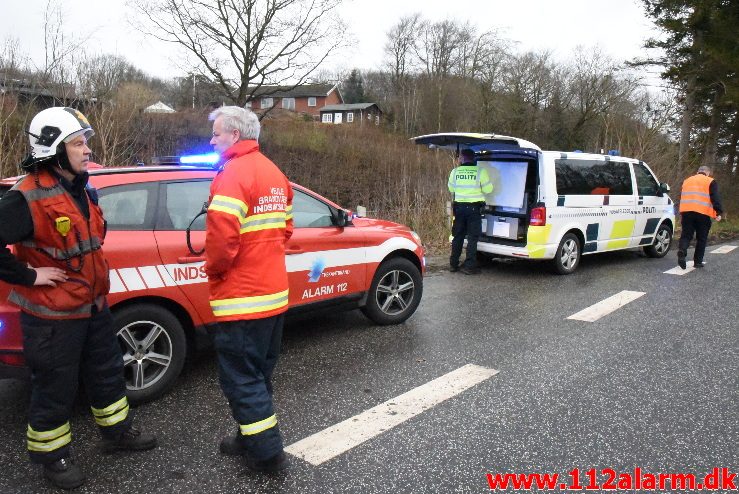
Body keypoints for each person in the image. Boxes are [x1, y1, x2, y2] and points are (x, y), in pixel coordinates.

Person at [0, 107, 156, 490]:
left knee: (106, 373)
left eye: (85, 141)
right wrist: (30, 275)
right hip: (53, 317)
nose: (87, 149)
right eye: (78, 143)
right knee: (55, 387)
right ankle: (53, 457)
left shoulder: (83, 187)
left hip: (93, 307)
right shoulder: (25, 198)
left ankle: (118, 431)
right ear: (54, 149)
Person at [205, 106, 293, 473]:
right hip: (273, 295)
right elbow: (286, 230)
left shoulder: (232, 175)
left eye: (216, 133)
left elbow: (222, 243)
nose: (212, 140)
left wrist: (214, 272)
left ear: (235, 136)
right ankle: (249, 436)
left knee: (241, 378)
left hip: (242, 298)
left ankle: (267, 454)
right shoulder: (274, 172)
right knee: (257, 375)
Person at [448, 148, 493, 274]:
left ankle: (453, 264)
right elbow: (488, 190)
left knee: (458, 236)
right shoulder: (480, 172)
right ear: (474, 158)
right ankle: (469, 266)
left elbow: (451, 189)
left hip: (459, 209)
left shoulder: (455, 171)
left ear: (462, 158)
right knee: (473, 237)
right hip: (473, 210)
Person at [677, 165, 723, 269]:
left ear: (698, 172)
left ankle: (682, 250)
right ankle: (697, 262)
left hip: (687, 212)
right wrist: (718, 212)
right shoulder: (710, 181)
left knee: (686, 235)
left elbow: (682, 195)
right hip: (703, 213)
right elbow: (715, 197)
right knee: (701, 238)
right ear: (707, 173)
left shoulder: (687, 180)